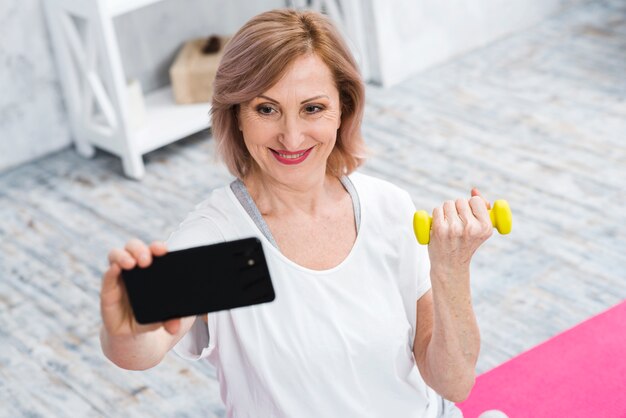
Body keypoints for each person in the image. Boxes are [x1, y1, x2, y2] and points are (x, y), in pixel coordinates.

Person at [100, 9, 500, 418]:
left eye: (312, 108)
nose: (291, 137)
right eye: (266, 109)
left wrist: (450, 271)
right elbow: (142, 349)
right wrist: (125, 331)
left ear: (343, 109)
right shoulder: (220, 241)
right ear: (237, 114)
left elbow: (453, 383)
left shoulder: (387, 207)